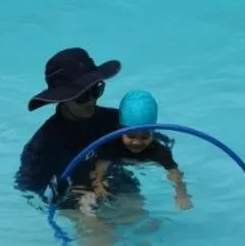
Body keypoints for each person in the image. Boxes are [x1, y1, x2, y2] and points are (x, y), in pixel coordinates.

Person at [14, 47, 123, 199]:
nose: (92, 99)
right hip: (75, 199)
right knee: (89, 220)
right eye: (82, 96)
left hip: (119, 183)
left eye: (96, 89)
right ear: (62, 99)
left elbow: (151, 146)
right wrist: (67, 197)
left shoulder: (115, 120)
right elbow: (29, 188)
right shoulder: (43, 146)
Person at [90, 90, 193, 211]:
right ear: (120, 131)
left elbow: (173, 171)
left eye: (144, 137)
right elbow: (101, 164)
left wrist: (181, 193)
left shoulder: (158, 150)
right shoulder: (112, 144)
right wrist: (98, 183)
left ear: (152, 133)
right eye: (131, 136)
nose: (137, 142)